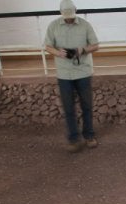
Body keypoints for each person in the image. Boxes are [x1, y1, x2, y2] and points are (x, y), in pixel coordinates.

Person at [44, 0, 99, 153]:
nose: (69, 19)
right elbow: (47, 46)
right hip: (64, 73)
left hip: (83, 72)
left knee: (87, 105)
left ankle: (89, 135)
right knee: (68, 108)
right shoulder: (53, 26)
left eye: (71, 16)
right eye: (66, 16)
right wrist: (58, 53)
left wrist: (82, 50)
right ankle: (73, 138)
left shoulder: (85, 25)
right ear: (61, 12)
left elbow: (96, 45)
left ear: (75, 10)